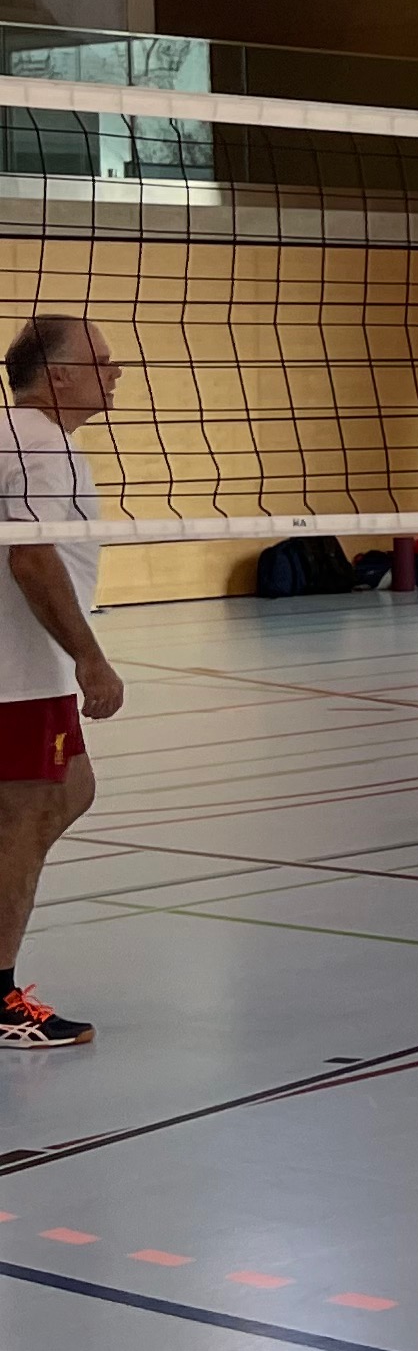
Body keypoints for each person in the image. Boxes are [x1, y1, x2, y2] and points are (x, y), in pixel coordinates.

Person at [0, 317, 120, 1049]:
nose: (117, 372)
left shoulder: (19, 435)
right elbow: (32, 557)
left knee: (71, 788)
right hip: (18, 671)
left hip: (22, 667)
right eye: (101, 360)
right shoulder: (41, 443)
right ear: (59, 375)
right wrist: (90, 657)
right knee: (28, 814)